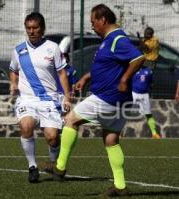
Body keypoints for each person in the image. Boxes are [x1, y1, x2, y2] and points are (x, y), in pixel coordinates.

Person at [39, 4, 144, 197]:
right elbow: (108, 66)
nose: (92, 26)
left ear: (103, 20)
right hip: (119, 101)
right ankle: (120, 186)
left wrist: (124, 79)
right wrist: (87, 77)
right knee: (111, 139)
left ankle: (60, 167)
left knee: (71, 120)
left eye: (93, 22)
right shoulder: (109, 40)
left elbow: (138, 58)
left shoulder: (117, 39)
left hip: (106, 97)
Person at [9, 12, 71, 183]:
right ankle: (32, 167)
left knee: (52, 137)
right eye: (28, 28)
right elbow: (13, 70)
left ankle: (54, 165)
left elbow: (62, 73)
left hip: (49, 100)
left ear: (42, 29)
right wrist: (13, 83)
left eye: (35, 28)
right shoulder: (18, 50)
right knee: (26, 126)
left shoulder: (53, 48)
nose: (31, 31)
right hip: (27, 99)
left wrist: (66, 96)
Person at [132, 66, 160, 139]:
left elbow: (151, 82)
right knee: (125, 113)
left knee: (148, 114)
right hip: (133, 93)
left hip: (145, 95)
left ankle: (154, 133)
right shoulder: (132, 68)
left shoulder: (149, 71)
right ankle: (119, 133)